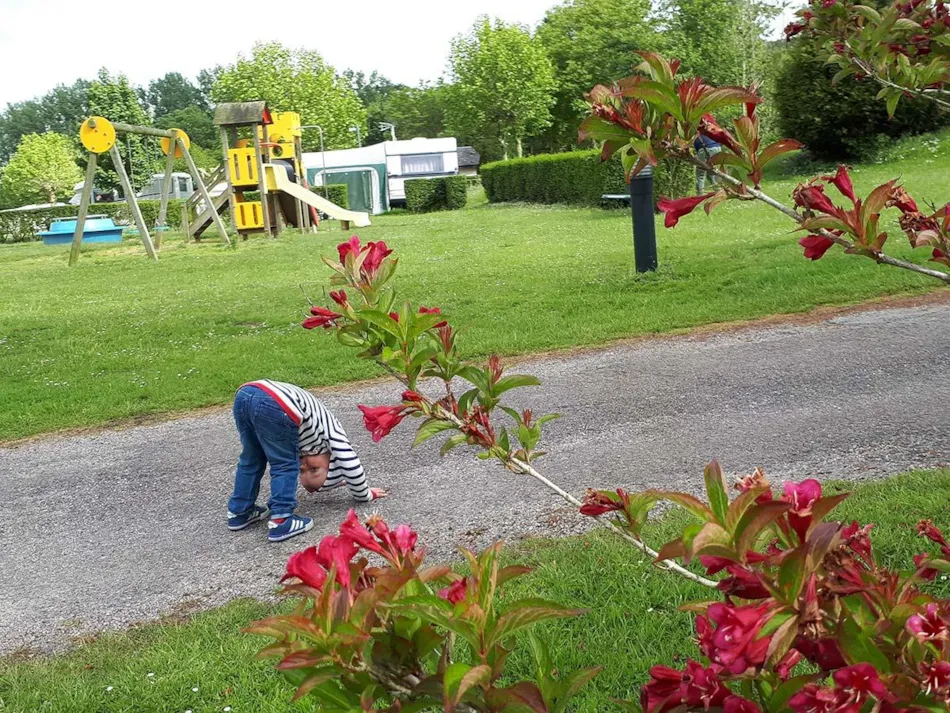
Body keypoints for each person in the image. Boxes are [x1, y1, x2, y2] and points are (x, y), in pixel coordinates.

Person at [227, 379, 387, 542]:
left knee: (252, 457)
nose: (303, 464)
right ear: (333, 461)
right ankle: (282, 519)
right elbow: (350, 462)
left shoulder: (309, 444)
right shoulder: (332, 434)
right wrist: (364, 493)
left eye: (302, 471)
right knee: (284, 463)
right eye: (314, 469)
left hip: (246, 394)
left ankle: (240, 512)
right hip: (274, 401)